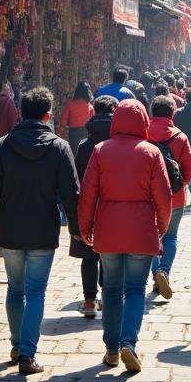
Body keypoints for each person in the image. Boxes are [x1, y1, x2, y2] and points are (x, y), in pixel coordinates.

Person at [0, 86, 80, 376]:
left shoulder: (3, 145)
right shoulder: (59, 147)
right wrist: (76, 229)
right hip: (43, 228)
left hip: (10, 226)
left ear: (21, 112)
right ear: (48, 114)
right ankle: (27, 353)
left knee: (15, 288)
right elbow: (71, 193)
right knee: (35, 291)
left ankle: (16, 344)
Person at [78, 99, 172, 373]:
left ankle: (111, 348)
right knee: (134, 290)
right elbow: (164, 197)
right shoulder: (151, 152)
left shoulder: (100, 150)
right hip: (141, 230)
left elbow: (87, 194)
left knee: (111, 289)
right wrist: (162, 227)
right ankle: (128, 342)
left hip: (108, 230)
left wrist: (85, 227)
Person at [72, 95, 117, 317]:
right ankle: (107, 298)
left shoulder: (84, 145)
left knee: (89, 256)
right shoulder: (119, 144)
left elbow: (79, 177)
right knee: (110, 256)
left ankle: (89, 301)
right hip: (114, 206)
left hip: (89, 206)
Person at [147, 95, 191, 298]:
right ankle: (164, 270)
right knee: (171, 236)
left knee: (148, 238)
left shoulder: (143, 133)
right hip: (174, 197)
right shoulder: (180, 137)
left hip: (146, 196)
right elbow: (189, 169)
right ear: (172, 113)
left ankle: (155, 271)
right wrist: (180, 185)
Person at [61, 82, 94, 151]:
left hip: (73, 132)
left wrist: (64, 129)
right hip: (86, 131)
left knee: (75, 151)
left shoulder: (70, 104)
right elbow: (92, 120)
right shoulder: (89, 106)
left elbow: (64, 120)